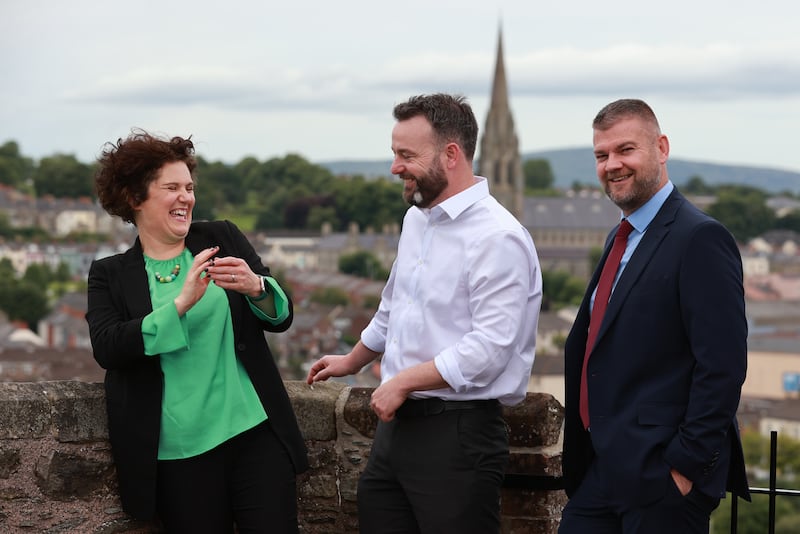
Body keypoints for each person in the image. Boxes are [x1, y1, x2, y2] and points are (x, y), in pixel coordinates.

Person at [306, 93, 542, 533]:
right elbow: (396, 305)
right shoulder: (418, 220)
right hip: (397, 430)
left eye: (405, 155)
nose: (395, 166)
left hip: (458, 435)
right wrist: (352, 360)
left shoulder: (498, 237)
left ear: (451, 155)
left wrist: (403, 382)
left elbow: (490, 348)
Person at [86, 130, 308, 533]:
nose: (185, 197)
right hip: (179, 455)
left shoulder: (221, 237)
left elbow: (282, 315)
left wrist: (256, 287)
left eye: (189, 187)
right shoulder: (109, 275)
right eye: (171, 187)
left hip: (255, 434)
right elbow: (108, 347)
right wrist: (180, 304)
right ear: (135, 199)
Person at [559, 99, 750, 534]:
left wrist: (683, 469)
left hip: (661, 478)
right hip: (603, 470)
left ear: (661, 148)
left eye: (626, 150)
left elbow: (722, 366)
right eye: (601, 155)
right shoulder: (619, 237)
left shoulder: (700, 237)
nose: (612, 164)